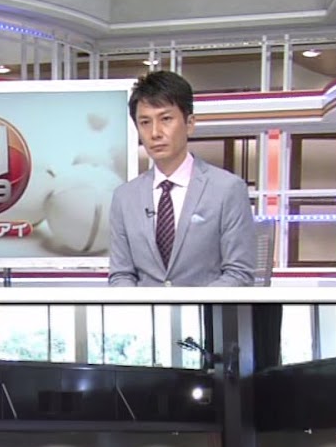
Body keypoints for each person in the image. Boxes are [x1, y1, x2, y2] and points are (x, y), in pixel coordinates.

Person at [107, 70, 256, 287]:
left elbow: (239, 273)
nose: (155, 133)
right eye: (145, 122)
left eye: (166, 119)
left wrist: (192, 306)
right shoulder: (125, 197)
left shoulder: (227, 189)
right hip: (145, 309)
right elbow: (121, 274)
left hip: (207, 309)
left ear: (189, 123)